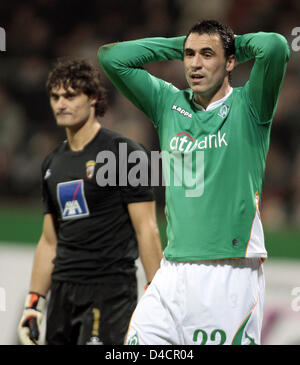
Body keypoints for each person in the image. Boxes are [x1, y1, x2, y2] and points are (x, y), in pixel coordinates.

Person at [98, 20, 289, 345]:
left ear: (230, 62)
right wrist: (181, 45)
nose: (195, 64)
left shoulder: (251, 105)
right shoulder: (168, 103)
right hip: (173, 269)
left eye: (207, 54)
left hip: (230, 273)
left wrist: (230, 43)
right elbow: (112, 58)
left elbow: (275, 46)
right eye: (189, 55)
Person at [17, 59, 163, 345]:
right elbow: (49, 241)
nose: (61, 104)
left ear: (94, 98)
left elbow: (147, 229)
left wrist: (158, 295)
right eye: (55, 97)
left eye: (71, 96)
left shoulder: (124, 153)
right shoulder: (52, 162)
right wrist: (33, 304)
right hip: (62, 292)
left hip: (109, 291)